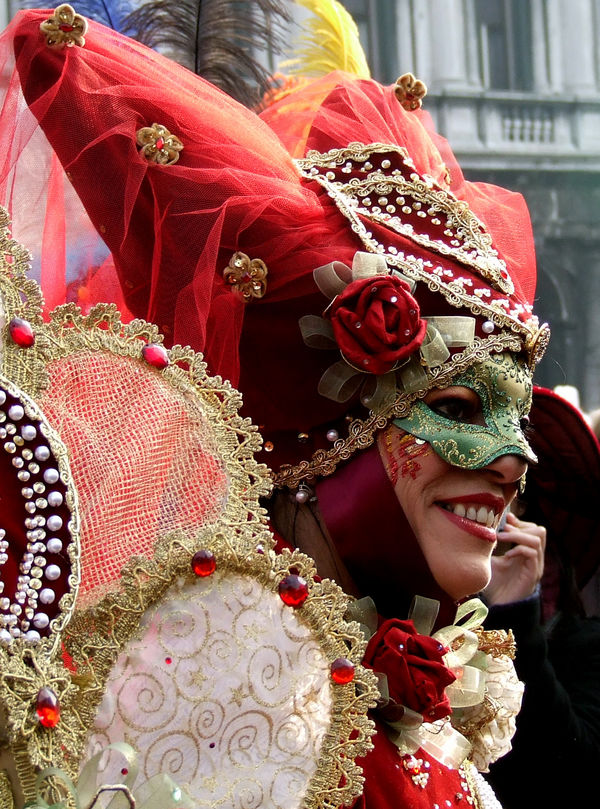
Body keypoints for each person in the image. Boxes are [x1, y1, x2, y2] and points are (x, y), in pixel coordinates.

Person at [0, 3, 550, 807]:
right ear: (317, 440)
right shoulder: (201, 726)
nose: (516, 458)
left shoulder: (393, 714)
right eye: (461, 406)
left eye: (520, 420)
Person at [484, 387, 600, 808]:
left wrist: (513, 612)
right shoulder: (409, 616)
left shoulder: (587, 645)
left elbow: (573, 771)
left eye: (516, 489)